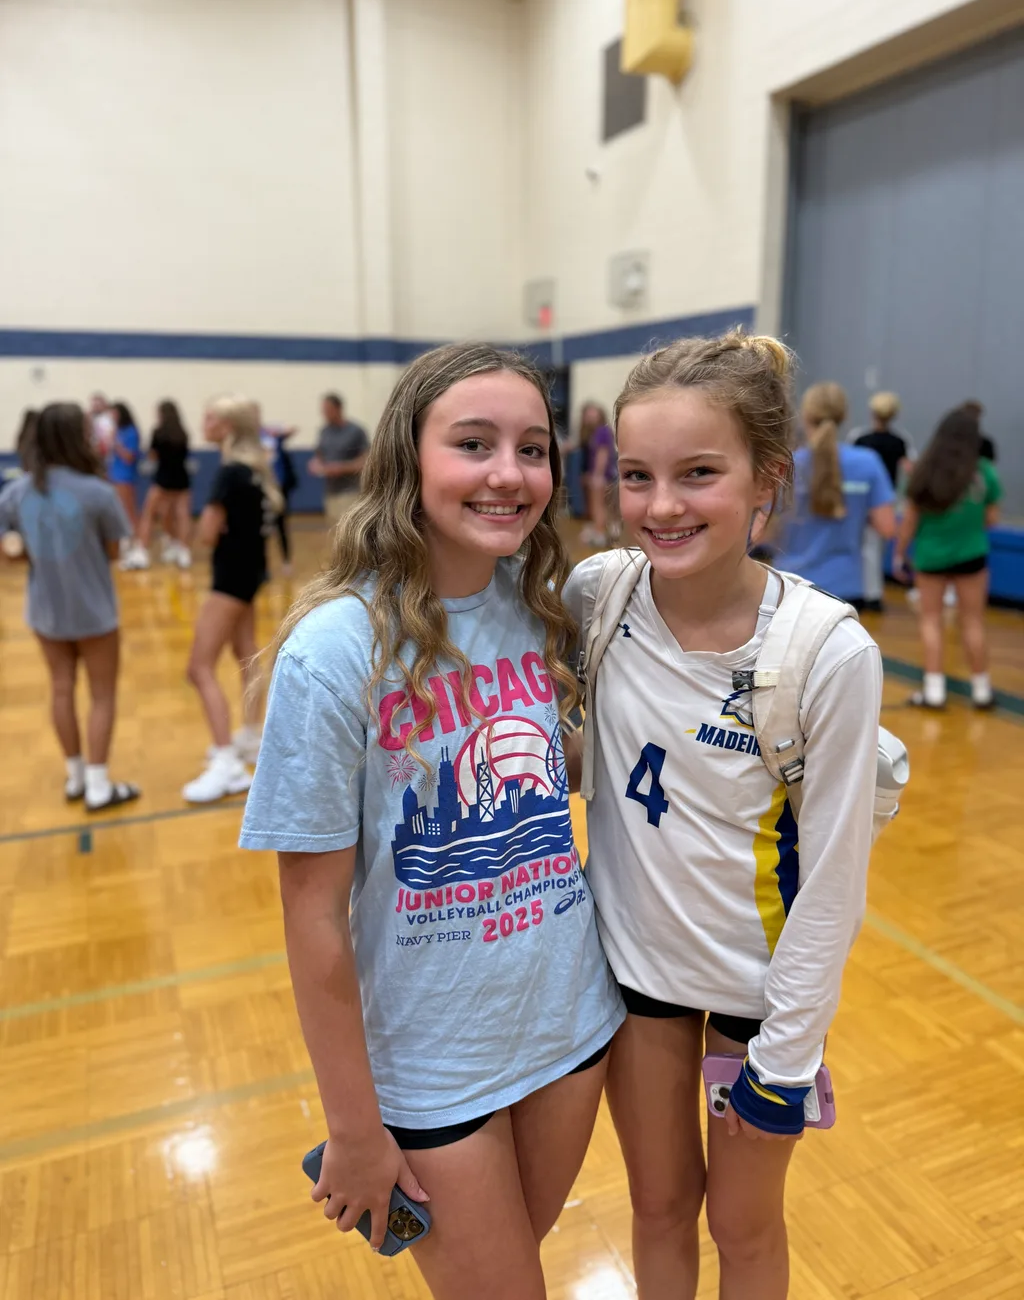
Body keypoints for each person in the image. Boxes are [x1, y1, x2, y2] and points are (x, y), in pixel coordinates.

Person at [239, 344, 623, 1299]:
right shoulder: (335, 650)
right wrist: (355, 1127)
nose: (509, 473)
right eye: (474, 443)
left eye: (532, 448)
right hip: (430, 1060)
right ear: (408, 459)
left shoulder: (541, 612)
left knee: (511, 1272)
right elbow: (312, 916)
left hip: (571, 1023)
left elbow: (559, 778)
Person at [565, 332, 882, 1300]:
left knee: (743, 1229)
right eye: (636, 475)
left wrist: (785, 1060)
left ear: (765, 481)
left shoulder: (827, 652)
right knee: (658, 1211)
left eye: (698, 473)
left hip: (760, 998)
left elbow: (831, 887)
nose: (661, 506)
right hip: (637, 977)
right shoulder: (599, 595)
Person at [0, 403, 139, 810]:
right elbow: (115, 552)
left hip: (46, 611)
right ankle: (98, 785)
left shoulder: (17, 491)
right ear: (78, 437)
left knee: (60, 689)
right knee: (102, 695)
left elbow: (10, 549)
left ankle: (75, 777)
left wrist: (26, 551)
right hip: (94, 610)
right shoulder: (99, 492)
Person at [182, 397, 281, 803]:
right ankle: (252, 735)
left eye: (209, 417)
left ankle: (226, 764)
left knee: (198, 667)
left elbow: (207, 533)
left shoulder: (228, 473)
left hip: (230, 579)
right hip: (251, 575)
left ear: (226, 426)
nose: (203, 422)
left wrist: (205, 535)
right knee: (246, 654)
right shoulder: (256, 472)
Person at [894, 407, 1001, 710]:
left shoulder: (923, 470)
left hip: (931, 556)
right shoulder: (984, 472)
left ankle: (934, 690)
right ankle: (981, 690)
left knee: (931, 620)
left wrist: (900, 554)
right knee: (973, 622)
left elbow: (910, 522)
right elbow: (992, 519)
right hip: (971, 554)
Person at [773, 380, 896, 609]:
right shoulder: (868, 463)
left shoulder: (787, 466)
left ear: (805, 415)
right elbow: (887, 527)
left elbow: (762, 530)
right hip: (846, 589)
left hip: (789, 586)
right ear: (844, 416)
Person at [854, 391, 909, 610]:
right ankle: (873, 594)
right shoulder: (900, 441)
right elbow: (908, 469)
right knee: (876, 547)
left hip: (860, 500)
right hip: (885, 501)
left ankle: (868, 594)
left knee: (865, 547)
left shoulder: (860, 439)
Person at [137, 400, 193, 569]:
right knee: (182, 515)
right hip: (182, 478)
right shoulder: (183, 432)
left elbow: (153, 456)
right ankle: (183, 551)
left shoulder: (158, 432)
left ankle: (142, 551)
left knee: (149, 513)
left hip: (163, 478)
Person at [309, 393, 369, 528]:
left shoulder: (356, 431)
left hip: (350, 492)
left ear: (338, 408)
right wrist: (316, 464)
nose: (324, 414)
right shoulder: (324, 432)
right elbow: (319, 456)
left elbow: (366, 460)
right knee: (334, 535)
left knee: (349, 532)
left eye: (327, 410)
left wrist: (341, 468)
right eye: (323, 410)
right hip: (330, 492)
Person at [108, 402, 146, 569]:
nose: (112, 417)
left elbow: (129, 456)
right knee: (119, 511)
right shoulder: (118, 431)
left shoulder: (131, 431)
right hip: (114, 474)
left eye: (114, 414)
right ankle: (125, 544)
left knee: (130, 512)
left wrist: (116, 444)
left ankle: (136, 545)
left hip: (125, 476)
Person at [261, 422, 298, 575]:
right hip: (263, 488)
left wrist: (278, 431)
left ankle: (286, 561)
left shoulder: (273, 435)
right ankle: (263, 565)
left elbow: (292, 429)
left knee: (281, 525)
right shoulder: (254, 438)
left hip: (279, 488)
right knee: (262, 528)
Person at [578, 402, 616, 547]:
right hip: (602, 475)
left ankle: (599, 534)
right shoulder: (597, 432)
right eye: (587, 414)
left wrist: (597, 475)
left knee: (597, 505)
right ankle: (600, 531)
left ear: (599, 415)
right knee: (601, 505)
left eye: (592, 413)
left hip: (602, 476)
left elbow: (602, 454)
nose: (589, 417)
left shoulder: (601, 431)